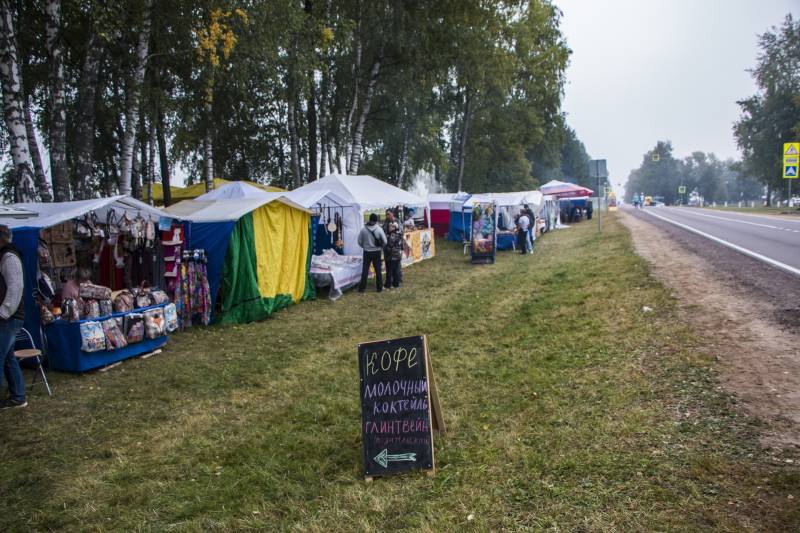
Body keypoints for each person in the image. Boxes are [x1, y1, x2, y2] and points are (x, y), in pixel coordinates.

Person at [0, 225, 26, 409]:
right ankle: (18, 396)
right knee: (8, 357)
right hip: (7, 315)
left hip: (9, 316)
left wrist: (4, 312)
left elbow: (16, 287)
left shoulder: (9, 257)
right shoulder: (5, 256)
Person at [357, 213, 387, 293]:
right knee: (378, 270)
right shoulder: (379, 229)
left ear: (369, 219)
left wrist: (365, 246)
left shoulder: (363, 229)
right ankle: (379, 288)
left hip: (367, 252)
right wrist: (380, 247)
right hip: (376, 252)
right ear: (376, 220)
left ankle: (362, 288)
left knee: (365, 270)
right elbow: (385, 241)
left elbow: (359, 241)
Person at [384, 221, 403, 289]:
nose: (389, 227)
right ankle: (396, 284)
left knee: (389, 270)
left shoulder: (392, 235)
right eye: (389, 226)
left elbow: (389, 245)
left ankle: (388, 285)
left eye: (391, 226)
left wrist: (386, 246)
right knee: (395, 270)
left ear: (394, 227)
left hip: (392, 255)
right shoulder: (399, 233)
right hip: (398, 255)